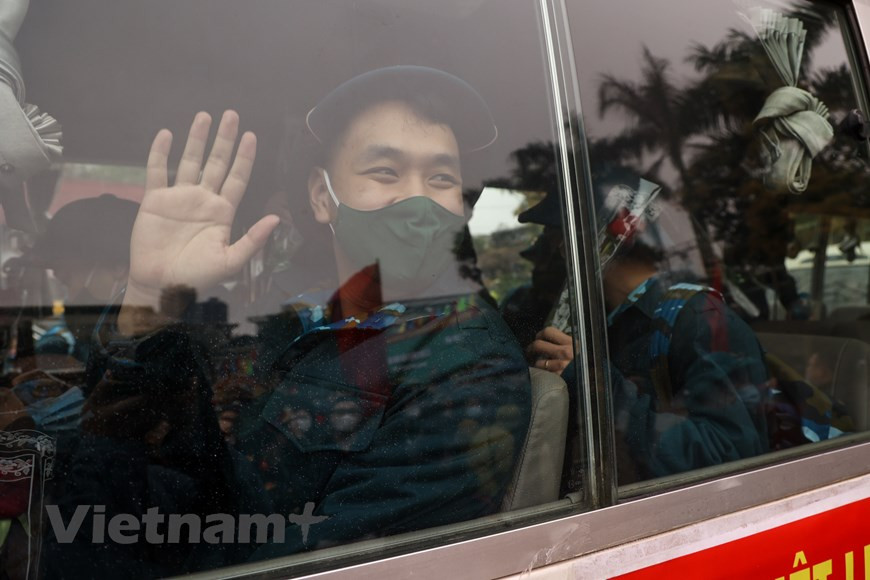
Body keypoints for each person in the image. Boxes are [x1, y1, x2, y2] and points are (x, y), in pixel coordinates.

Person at [45, 66, 531, 576]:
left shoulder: (465, 364)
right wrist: (151, 299)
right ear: (323, 198)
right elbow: (168, 459)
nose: (418, 200)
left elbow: (327, 564)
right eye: (385, 172)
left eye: (441, 178)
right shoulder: (297, 324)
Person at [526, 176, 768, 483]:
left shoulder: (699, 319)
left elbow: (732, 457)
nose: (557, 254)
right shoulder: (611, 321)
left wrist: (600, 389)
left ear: (602, 240)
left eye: (558, 238)